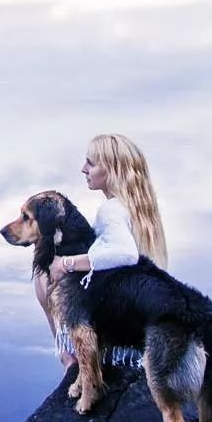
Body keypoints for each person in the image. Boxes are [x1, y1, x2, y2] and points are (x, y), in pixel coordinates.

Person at [36, 133, 168, 368]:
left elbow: (126, 254)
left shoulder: (111, 210)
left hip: (112, 335)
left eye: (91, 163)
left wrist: (66, 263)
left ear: (112, 170)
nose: (83, 169)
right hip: (136, 332)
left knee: (43, 274)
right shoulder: (139, 212)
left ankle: (68, 359)